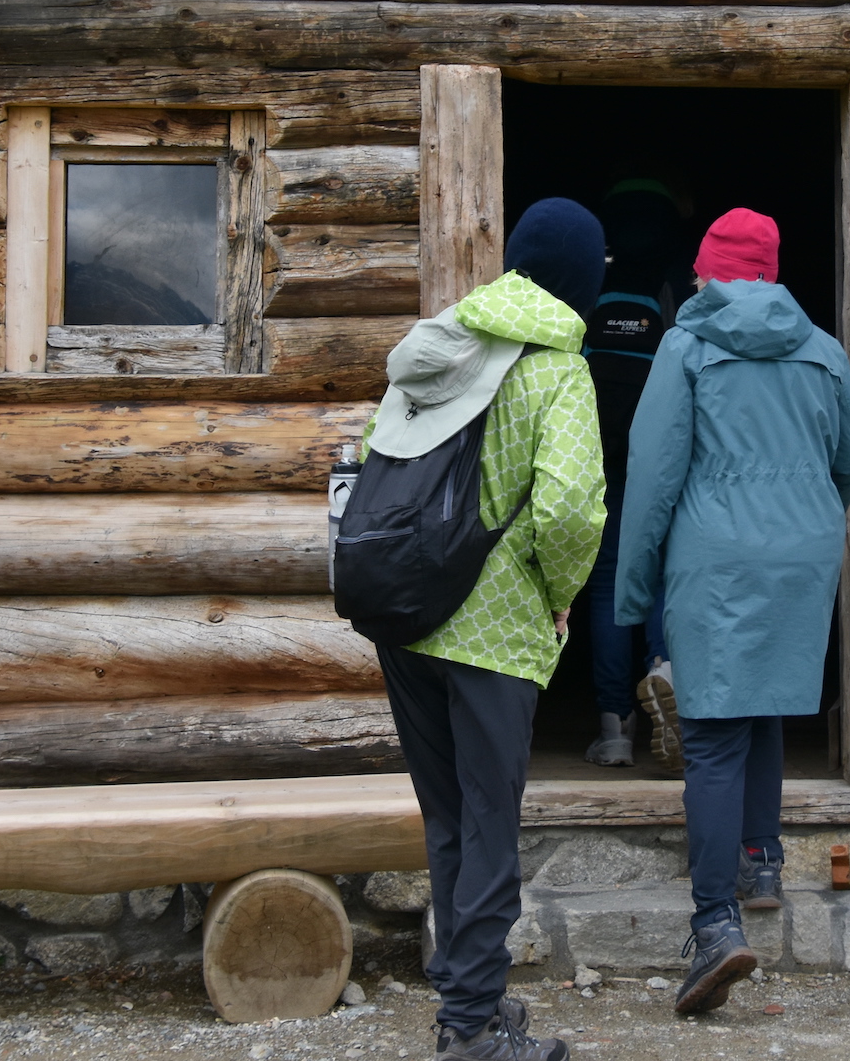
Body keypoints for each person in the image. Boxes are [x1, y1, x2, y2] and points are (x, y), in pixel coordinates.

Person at [615, 208, 850, 1016]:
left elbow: (654, 471)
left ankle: (715, 925)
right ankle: (760, 861)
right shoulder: (824, 351)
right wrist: (808, 513)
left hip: (717, 556)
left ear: (713, 273)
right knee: (762, 711)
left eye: (700, 269)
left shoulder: (688, 346)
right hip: (801, 555)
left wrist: (630, 591)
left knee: (713, 736)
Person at [368, 197, 608, 1061]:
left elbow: (370, 466)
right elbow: (571, 511)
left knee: (449, 824)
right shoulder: (558, 371)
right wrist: (558, 592)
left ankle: (470, 1002)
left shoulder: (437, 348)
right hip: (495, 634)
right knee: (491, 827)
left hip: (407, 623)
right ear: (582, 280)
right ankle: (469, 1027)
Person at [579, 183, 681, 769]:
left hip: (598, 447)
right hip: (656, 447)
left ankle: (613, 728)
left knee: (609, 580)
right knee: (663, 570)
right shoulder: (668, 282)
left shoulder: (595, 279)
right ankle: (665, 669)